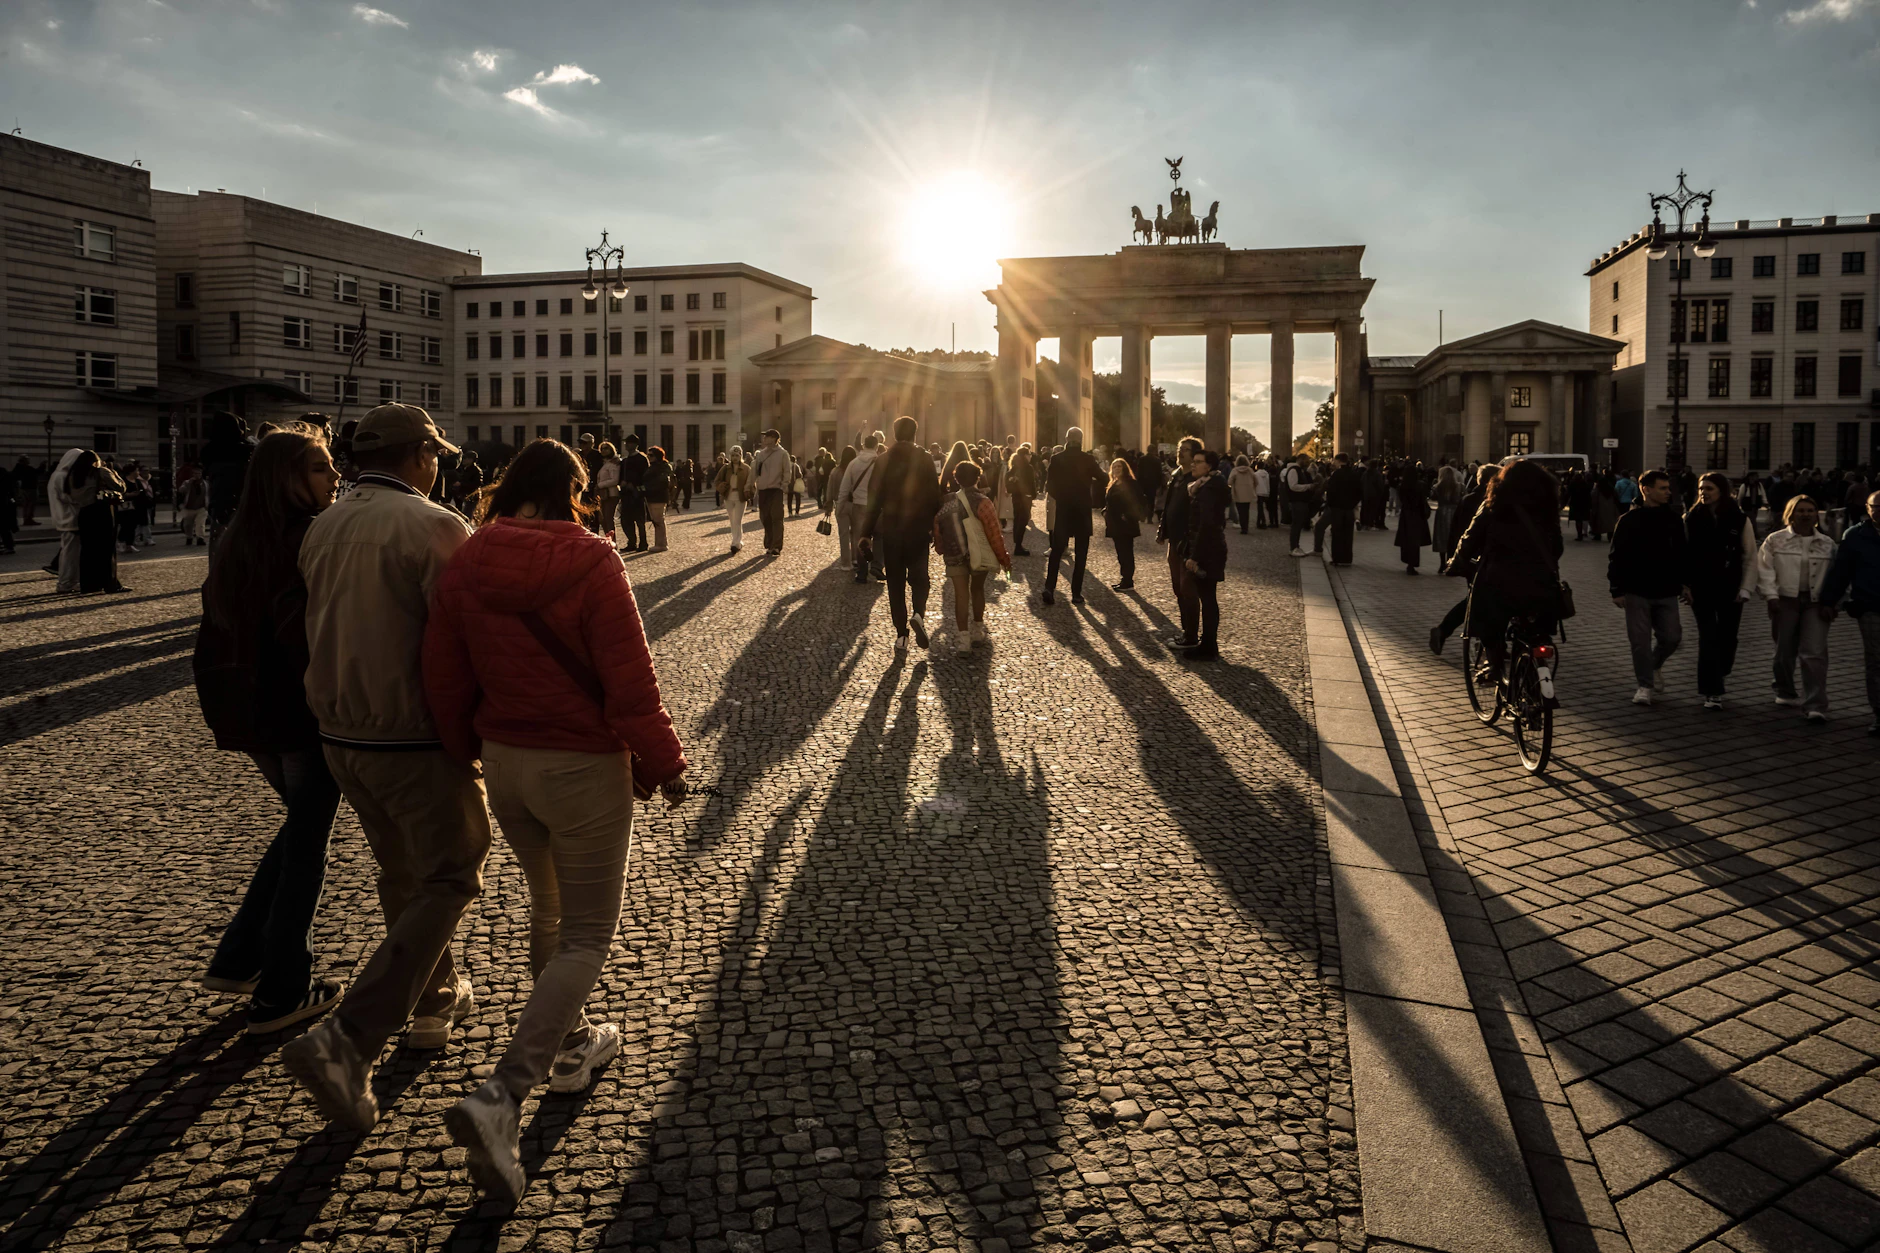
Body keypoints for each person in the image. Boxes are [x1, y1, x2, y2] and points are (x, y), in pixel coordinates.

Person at [421, 440, 687, 1204]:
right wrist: (665, 766)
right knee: (587, 934)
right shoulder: (594, 560)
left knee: (549, 905)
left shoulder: (468, 558)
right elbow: (631, 681)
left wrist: (464, 745)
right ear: (572, 488)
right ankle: (503, 1094)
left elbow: (444, 668)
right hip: (578, 766)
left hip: (505, 759)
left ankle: (570, 1043)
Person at [279, 404, 491, 1134]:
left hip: (340, 731)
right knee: (453, 870)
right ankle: (351, 1036)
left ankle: (433, 1000)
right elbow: (461, 638)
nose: (438, 466)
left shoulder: (324, 523)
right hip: (408, 731)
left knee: (401, 870)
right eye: (435, 455)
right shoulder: (434, 526)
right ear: (420, 457)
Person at [193, 426, 346, 1034]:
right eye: (318, 468)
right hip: (298, 713)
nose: (333, 477)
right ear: (285, 478)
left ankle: (238, 959)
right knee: (307, 848)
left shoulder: (238, 540)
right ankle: (283, 990)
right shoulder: (304, 539)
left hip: (251, 715)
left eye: (332, 466)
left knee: (298, 833)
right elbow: (305, 638)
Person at [1450, 458, 1564, 682]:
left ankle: (1495, 666)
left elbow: (1470, 538)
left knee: (1487, 623)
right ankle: (1535, 671)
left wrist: (1458, 560)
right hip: (1540, 581)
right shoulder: (1546, 507)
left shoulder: (1494, 502)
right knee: (1536, 630)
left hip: (1499, 580)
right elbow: (1557, 546)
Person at [857, 415, 941, 652]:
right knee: (920, 578)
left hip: (892, 529)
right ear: (915, 433)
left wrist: (866, 533)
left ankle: (901, 634)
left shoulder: (883, 460)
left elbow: (873, 501)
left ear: (894, 434)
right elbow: (935, 497)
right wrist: (935, 527)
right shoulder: (924, 458)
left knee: (895, 582)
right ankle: (918, 614)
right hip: (918, 528)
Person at [1608, 469, 1688, 706]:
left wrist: (1685, 584)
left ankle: (1654, 666)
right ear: (1646, 489)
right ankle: (1644, 686)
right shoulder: (1628, 520)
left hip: (1666, 590)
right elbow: (1616, 556)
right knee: (1640, 642)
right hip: (1636, 590)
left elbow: (1683, 554)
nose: (1668, 492)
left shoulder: (1673, 519)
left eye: (1668, 488)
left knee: (1672, 637)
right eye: (1663, 488)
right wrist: (1617, 589)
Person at [1757, 495, 1838, 722]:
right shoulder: (1775, 540)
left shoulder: (1827, 544)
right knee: (1784, 650)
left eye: (1810, 510)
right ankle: (1784, 689)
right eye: (1800, 510)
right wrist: (1771, 596)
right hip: (1785, 600)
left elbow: (1837, 576)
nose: (1806, 514)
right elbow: (1765, 569)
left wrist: (1833, 603)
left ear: (1816, 515)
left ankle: (1815, 704)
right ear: (1790, 514)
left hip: (1815, 603)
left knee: (1814, 653)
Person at [1683, 472, 1758, 710]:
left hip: (1730, 587)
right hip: (1700, 588)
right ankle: (1711, 690)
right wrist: (1684, 585)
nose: (1703, 492)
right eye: (1701, 488)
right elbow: (1682, 556)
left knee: (1728, 638)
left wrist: (1746, 587)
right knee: (1708, 637)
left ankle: (1720, 671)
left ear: (1722, 492)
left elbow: (1750, 556)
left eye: (1709, 489)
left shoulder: (1739, 519)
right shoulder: (1691, 517)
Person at [932, 459, 1010, 654]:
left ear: (956, 480)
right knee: (977, 590)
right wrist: (1004, 559)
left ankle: (963, 640)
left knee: (960, 595)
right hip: (978, 554)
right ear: (977, 478)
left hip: (954, 553)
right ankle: (977, 630)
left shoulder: (948, 502)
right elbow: (994, 533)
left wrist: (941, 548)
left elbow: (937, 528)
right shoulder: (984, 502)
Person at [1821, 488, 1880, 734]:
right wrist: (1829, 601)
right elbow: (1841, 572)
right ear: (1867, 508)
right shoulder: (1855, 536)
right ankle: (1879, 715)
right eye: (1874, 506)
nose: (1878, 511)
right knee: (1875, 661)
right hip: (1870, 606)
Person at [1041, 427, 1101, 607]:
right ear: (1081, 440)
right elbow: (1102, 478)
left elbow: (1049, 486)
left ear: (1066, 439)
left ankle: (1049, 588)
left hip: (1064, 510)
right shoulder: (1089, 459)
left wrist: (1062, 498)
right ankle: (1076, 593)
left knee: (1057, 551)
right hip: (1082, 511)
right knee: (1081, 554)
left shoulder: (1057, 459)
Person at [1181, 449, 1232, 661]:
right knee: (1208, 597)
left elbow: (1207, 525)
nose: (1193, 465)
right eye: (1193, 462)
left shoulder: (1208, 489)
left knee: (1208, 598)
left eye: (1198, 462)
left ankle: (1209, 646)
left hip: (1208, 551)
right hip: (1211, 548)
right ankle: (1208, 644)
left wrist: (1195, 556)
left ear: (1209, 466)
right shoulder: (1209, 486)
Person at [1156, 437, 1206, 649]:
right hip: (1173, 542)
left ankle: (1191, 635)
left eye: (1185, 450)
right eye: (1180, 449)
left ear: (1194, 455)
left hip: (1186, 543)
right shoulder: (1176, 476)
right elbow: (1168, 507)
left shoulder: (1196, 479)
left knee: (1188, 589)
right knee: (1177, 588)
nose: (1181, 453)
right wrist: (1162, 530)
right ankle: (1186, 630)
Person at [67, 451, 129, 593]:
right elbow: (121, 487)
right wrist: (114, 472)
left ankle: (89, 585)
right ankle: (110, 584)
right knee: (107, 549)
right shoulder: (100, 472)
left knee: (88, 550)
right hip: (102, 511)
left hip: (84, 513)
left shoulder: (74, 475)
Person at [203, 413, 255, 560]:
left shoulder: (209, 450)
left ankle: (215, 579)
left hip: (218, 506)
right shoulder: (245, 450)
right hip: (242, 506)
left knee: (217, 549)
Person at [834, 436, 881, 580]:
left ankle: (862, 571)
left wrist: (840, 506)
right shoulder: (881, 462)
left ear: (863, 445)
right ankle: (876, 565)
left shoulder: (853, 463)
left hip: (859, 504)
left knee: (859, 538)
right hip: (877, 505)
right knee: (879, 536)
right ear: (877, 446)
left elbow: (845, 487)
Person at [45, 449, 84, 591]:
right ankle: (66, 581)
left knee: (70, 552)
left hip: (65, 517)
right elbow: (69, 497)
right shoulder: (62, 476)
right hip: (69, 518)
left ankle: (69, 580)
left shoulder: (57, 475)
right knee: (70, 553)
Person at [1105, 457, 1145, 591]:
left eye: (1119, 466)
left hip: (1125, 524)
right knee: (1121, 553)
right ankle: (1124, 578)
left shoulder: (1131, 483)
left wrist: (1127, 516)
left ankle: (1128, 581)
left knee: (1126, 552)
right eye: (1114, 467)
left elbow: (1137, 501)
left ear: (1125, 469)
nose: (1116, 469)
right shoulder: (1113, 483)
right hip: (1114, 523)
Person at [1316, 453, 1362, 565]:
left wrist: (1330, 504)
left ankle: (1337, 558)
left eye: (1335, 461)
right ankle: (1347, 558)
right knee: (1348, 534)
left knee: (1337, 534)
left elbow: (1331, 491)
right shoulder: (1354, 474)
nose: (1333, 463)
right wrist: (1352, 504)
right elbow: (1359, 492)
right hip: (1349, 509)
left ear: (1339, 461)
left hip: (1337, 508)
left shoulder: (1336, 474)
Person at [751, 429, 790, 556]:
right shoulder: (761, 454)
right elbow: (755, 471)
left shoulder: (783, 454)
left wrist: (784, 485)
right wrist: (751, 485)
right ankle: (769, 542)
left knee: (776, 517)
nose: (764, 439)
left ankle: (776, 546)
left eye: (766, 437)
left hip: (776, 489)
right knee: (765, 518)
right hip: (763, 490)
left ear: (774, 438)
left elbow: (787, 471)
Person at [1393, 463, 1431, 575]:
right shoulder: (1420, 485)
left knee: (1406, 538)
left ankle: (1407, 561)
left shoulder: (1402, 486)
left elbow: (1401, 500)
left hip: (1406, 514)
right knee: (1415, 540)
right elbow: (1424, 497)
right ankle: (1413, 563)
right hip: (1417, 515)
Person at [715, 446, 752, 554]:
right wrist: (721, 486)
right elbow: (717, 480)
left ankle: (736, 542)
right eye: (733, 455)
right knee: (732, 520)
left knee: (738, 520)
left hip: (741, 497)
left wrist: (749, 492)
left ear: (740, 455)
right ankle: (737, 541)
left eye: (737, 455)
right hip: (729, 496)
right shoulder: (725, 468)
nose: (735, 458)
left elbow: (751, 482)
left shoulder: (746, 468)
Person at [617, 436, 649, 552]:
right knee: (626, 520)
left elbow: (645, 476)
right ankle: (631, 542)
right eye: (626, 443)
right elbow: (620, 476)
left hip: (637, 494)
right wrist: (622, 483)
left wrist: (634, 484)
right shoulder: (624, 460)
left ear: (635, 444)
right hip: (626, 494)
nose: (626, 445)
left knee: (639, 521)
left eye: (629, 443)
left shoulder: (642, 458)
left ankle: (643, 543)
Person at [1007, 443, 1037, 556]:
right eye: (1029, 454)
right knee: (1023, 521)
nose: (1030, 456)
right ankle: (1018, 546)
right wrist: (1033, 495)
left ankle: (1017, 544)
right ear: (1024, 455)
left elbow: (1008, 478)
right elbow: (1031, 483)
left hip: (1016, 497)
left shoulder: (1014, 466)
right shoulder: (1028, 468)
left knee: (1017, 520)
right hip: (1025, 498)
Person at [643, 446, 672, 552]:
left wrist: (647, 489)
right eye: (648, 455)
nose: (649, 457)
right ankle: (659, 543)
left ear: (657, 456)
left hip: (658, 497)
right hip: (653, 496)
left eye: (651, 455)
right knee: (657, 521)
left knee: (659, 520)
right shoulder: (655, 466)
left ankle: (661, 544)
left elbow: (661, 483)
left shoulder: (660, 467)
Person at [1430, 464, 1464, 555]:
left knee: (1441, 537)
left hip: (1442, 512)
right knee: (1453, 536)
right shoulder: (1459, 486)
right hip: (1455, 512)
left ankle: (1442, 563)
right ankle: (1451, 558)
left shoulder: (1437, 487)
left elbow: (1432, 497)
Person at [593, 443, 622, 546]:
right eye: (602, 449)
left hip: (611, 494)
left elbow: (614, 480)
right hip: (604, 494)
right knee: (603, 519)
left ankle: (612, 543)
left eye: (606, 448)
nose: (604, 450)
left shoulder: (614, 463)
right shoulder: (606, 463)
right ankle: (608, 540)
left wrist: (599, 485)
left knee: (608, 519)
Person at [176, 466, 209, 546]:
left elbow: (208, 494)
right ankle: (189, 537)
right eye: (195, 473)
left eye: (199, 473)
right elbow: (181, 490)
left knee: (200, 524)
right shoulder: (187, 482)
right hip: (189, 507)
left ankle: (200, 538)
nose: (197, 475)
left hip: (201, 507)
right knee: (187, 525)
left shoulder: (205, 483)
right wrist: (188, 484)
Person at [1228, 455, 1258, 534]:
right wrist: (1253, 487)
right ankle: (1246, 527)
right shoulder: (1250, 470)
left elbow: (1229, 482)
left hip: (1238, 493)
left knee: (1240, 511)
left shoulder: (1234, 470)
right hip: (1248, 493)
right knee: (1246, 511)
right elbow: (1256, 481)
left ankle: (1243, 527)